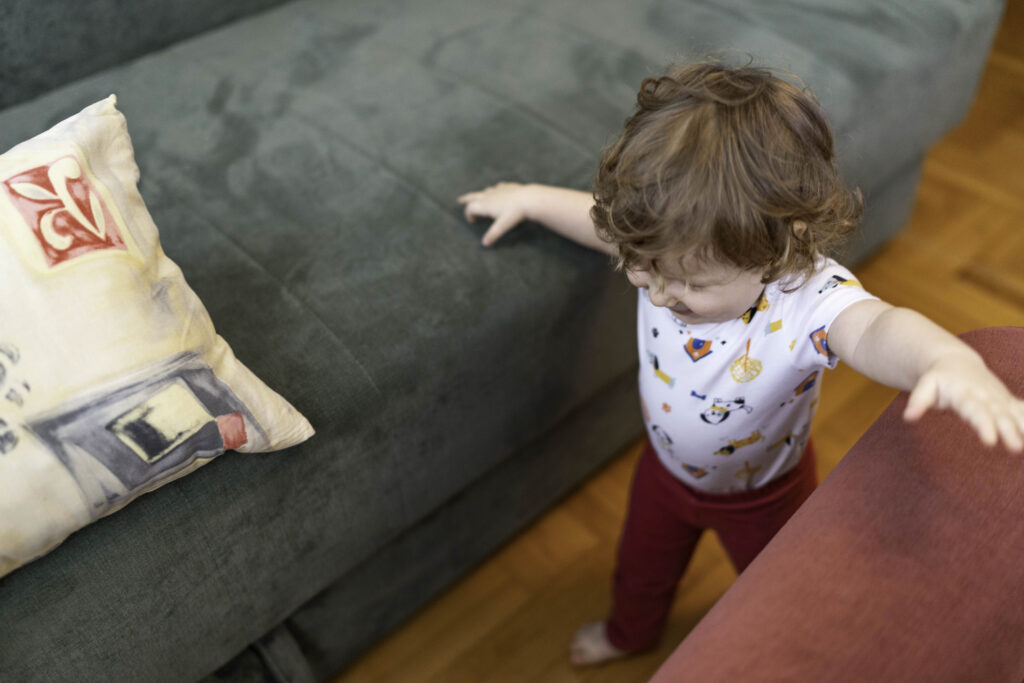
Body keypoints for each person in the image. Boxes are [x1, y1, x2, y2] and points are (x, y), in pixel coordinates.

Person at [457, 61, 1024, 666]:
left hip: (768, 494)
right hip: (664, 470)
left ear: (779, 248)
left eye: (689, 283)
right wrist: (532, 199)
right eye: (642, 268)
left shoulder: (808, 296)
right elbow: (601, 224)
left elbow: (878, 327)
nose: (658, 294)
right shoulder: (664, 248)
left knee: (783, 591)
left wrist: (944, 358)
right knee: (640, 566)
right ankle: (630, 632)